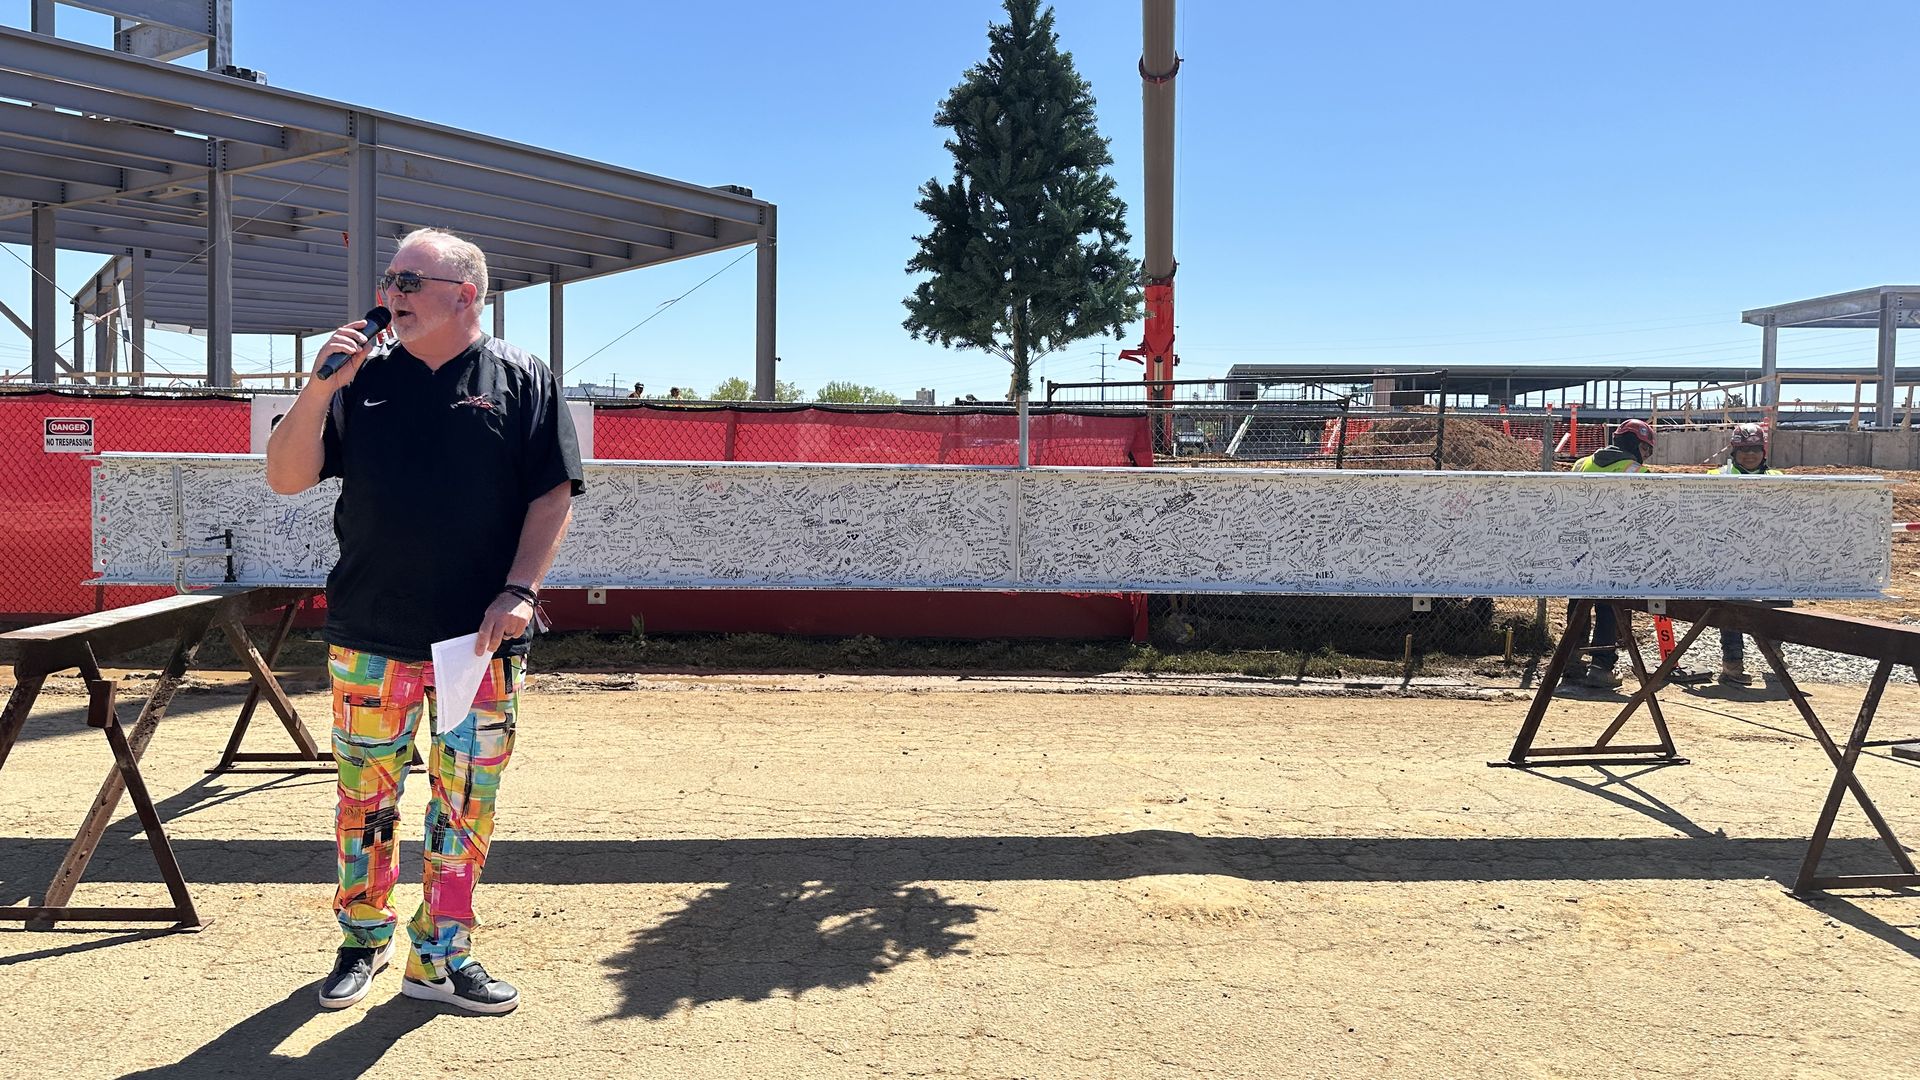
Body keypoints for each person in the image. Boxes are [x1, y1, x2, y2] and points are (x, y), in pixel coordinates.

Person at [266, 227, 584, 1014]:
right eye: (389, 280)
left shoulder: (520, 377)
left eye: (410, 281)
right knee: (364, 801)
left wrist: (520, 589)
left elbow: (552, 494)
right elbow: (284, 477)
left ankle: (439, 956)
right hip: (368, 635)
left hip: (476, 639)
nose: (392, 295)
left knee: (464, 798)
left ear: (465, 295)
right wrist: (318, 390)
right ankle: (362, 943)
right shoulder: (360, 380)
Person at [1565, 418, 1657, 688]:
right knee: (1608, 607)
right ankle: (1601, 667)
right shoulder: (1637, 471)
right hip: (1616, 553)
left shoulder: (1581, 464)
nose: (1646, 455)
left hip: (1580, 549)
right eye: (1646, 449)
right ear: (1639, 446)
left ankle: (1571, 660)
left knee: (1577, 604)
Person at [1711, 423, 1783, 685]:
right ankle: (1732, 664)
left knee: (1778, 607)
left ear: (1763, 451)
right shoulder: (1717, 476)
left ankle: (1775, 655)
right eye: (1743, 450)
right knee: (1731, 612)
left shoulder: (1778, 479)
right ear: (1734, 451)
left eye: (1754, 449)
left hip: (1770, 557)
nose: (1749, 455)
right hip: (1730, 558)